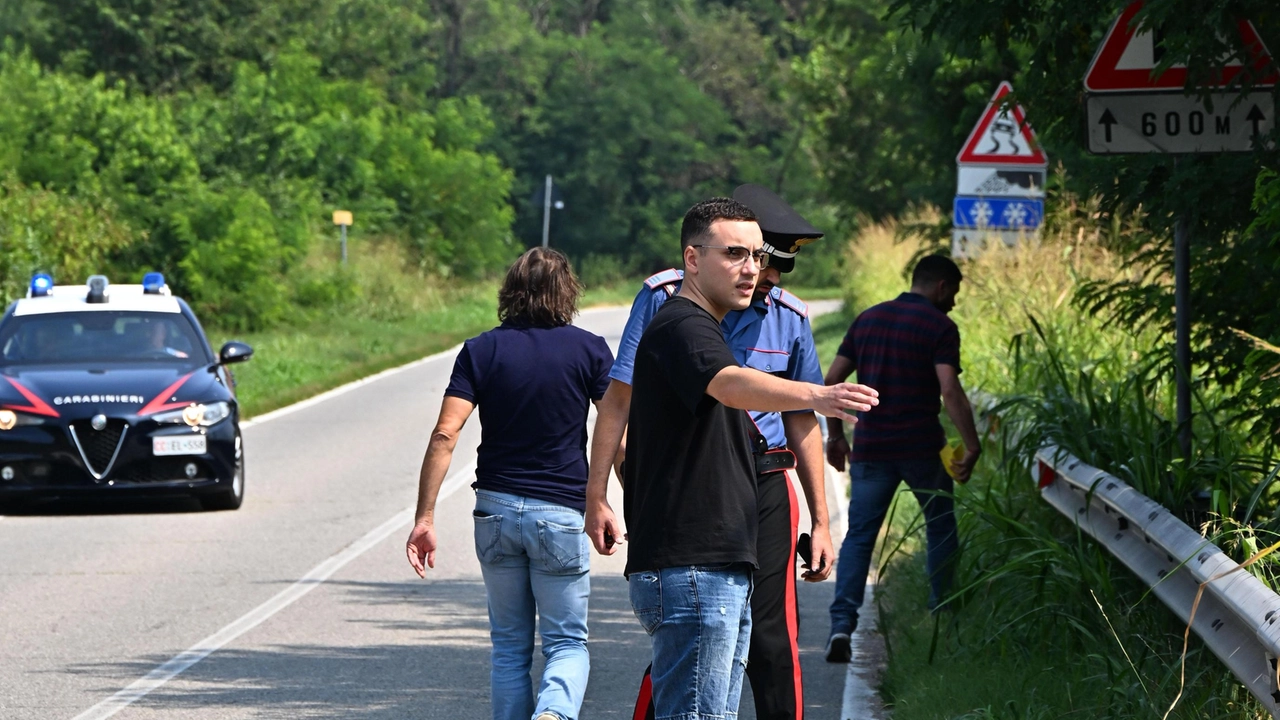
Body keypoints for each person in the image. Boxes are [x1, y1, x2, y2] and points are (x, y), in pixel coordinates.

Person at [584, 198, 879, 720]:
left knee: (761, 654)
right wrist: (598, 492)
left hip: (740, 518)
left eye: (760, 258)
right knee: (694, 699)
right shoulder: (678, 319)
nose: (755, 271)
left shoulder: (776, 316)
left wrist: (821, 519)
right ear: (693, 260)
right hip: (696, 549)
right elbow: (718, 385)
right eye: (738, 255)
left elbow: (792, 423)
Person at [406, 247, 613, 720]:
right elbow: (618, 437)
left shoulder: (481, 350)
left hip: (495, 511)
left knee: (509, 648)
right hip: (561, 512)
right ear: (567, 292)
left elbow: (445, 433)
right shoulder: (589, 349)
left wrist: (425, 516)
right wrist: (624, 503)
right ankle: (554, 714)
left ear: (510, 292)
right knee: (566, 642)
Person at [822, 255, 981, 663]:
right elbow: (950, 389)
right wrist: (971, 442)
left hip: (872, 447)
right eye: (954, 294)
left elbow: (831, 380)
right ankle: (941, 612)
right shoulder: (940, 327)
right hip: (922, 449)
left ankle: (841, 624)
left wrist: (837, 436)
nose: (954, 304)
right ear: (942, 287)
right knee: (941, 527)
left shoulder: (868, 319)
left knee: (859, 536)